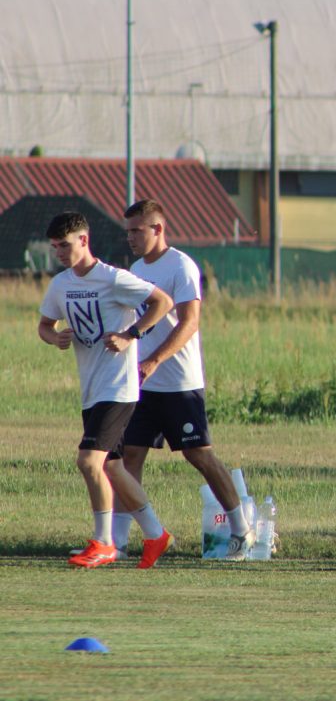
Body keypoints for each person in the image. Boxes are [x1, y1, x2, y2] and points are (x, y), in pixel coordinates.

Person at [115, 199, 256, 561]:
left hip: (179, 383)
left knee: (199, 455)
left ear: (158, 229)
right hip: (143, 384)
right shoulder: (135, 269)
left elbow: (190, 322)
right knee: (129, 457)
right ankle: (116, 542)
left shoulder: (181, 266)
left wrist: (155, 360)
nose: (130, 237)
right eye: (128, 231)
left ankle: (242, 529)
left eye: (137, 230)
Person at [37, 211, 175, 569]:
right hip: (92, 389)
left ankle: (104, 542)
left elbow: (163, 302)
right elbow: (44, 325)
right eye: (55, 247)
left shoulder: (114, 279)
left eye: (64, 245)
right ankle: (156, 534)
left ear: (84, 240)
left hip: (118, 387)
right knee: (112, 467)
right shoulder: (61, 284)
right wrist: (55, 337)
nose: (59, 253)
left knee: (88, 461)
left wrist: (131, 335)